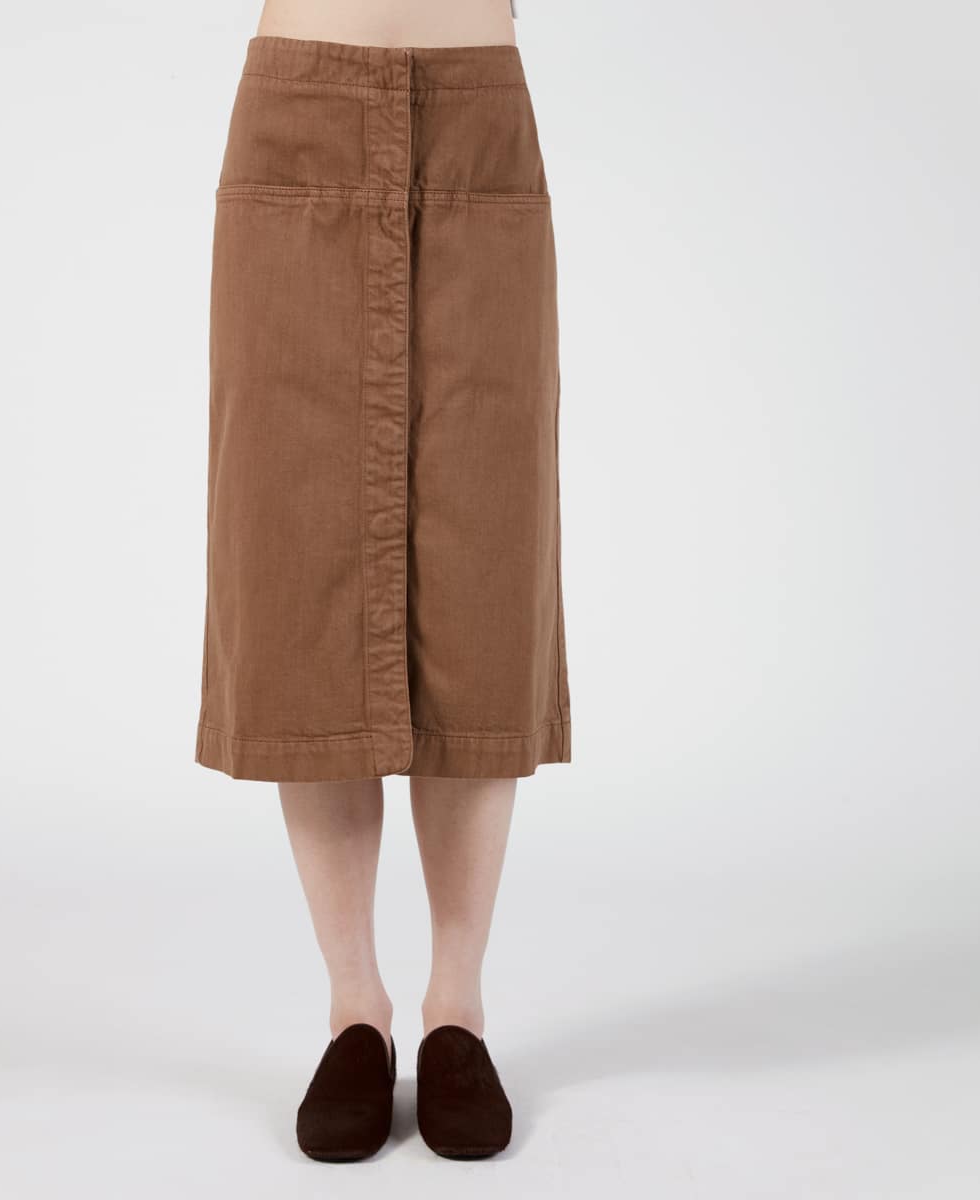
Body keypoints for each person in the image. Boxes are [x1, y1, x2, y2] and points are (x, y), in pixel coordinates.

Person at [196, 0, 570, 1160]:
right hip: (298, 114)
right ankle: (355, 1010)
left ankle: (457, 1010)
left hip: (480, 119)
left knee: (484, 574)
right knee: (298, 567)